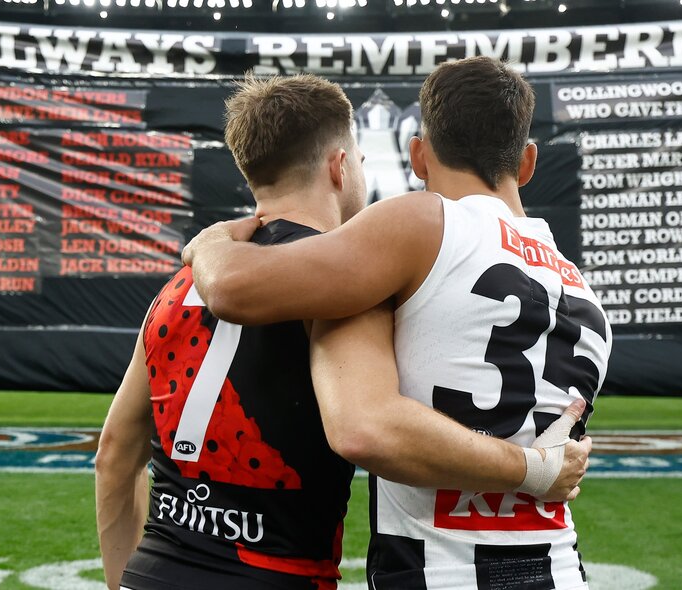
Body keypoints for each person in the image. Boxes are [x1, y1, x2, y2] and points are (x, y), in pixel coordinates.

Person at [97, 72, 590, 590]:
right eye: (359, 158)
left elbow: (113, 455)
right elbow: (367, 426)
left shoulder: (176, 288)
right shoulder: (352, 290)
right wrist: (531, 465)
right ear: (338, 167)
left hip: (151, 571)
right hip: (279, 574)